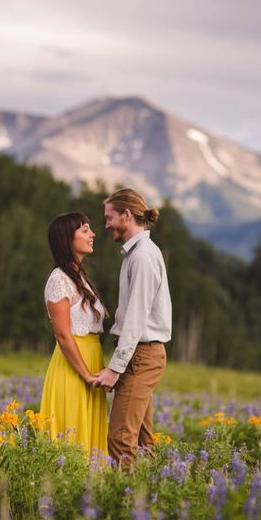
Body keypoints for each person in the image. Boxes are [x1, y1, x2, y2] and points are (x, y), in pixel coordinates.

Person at [93, 188, 172, 466]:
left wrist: (115, 369)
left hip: (141, 355)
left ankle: (126, 505)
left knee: (120, 439)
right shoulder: (137, 254)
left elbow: (136, 319)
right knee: (140, 440)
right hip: (140, 355)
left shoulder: (142, 257)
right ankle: (148, 501)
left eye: (109, 217)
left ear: (127, 215)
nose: (106, 225)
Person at [40, 212, 108, 456]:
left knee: (90, 442)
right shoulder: (59, 280)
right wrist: (87, 376)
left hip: (89, 362)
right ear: (67, 239)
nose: (93, 235)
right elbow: (63, 335)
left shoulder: (79, 278)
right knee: (72, 440)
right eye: (85, 230)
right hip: (73, 368)